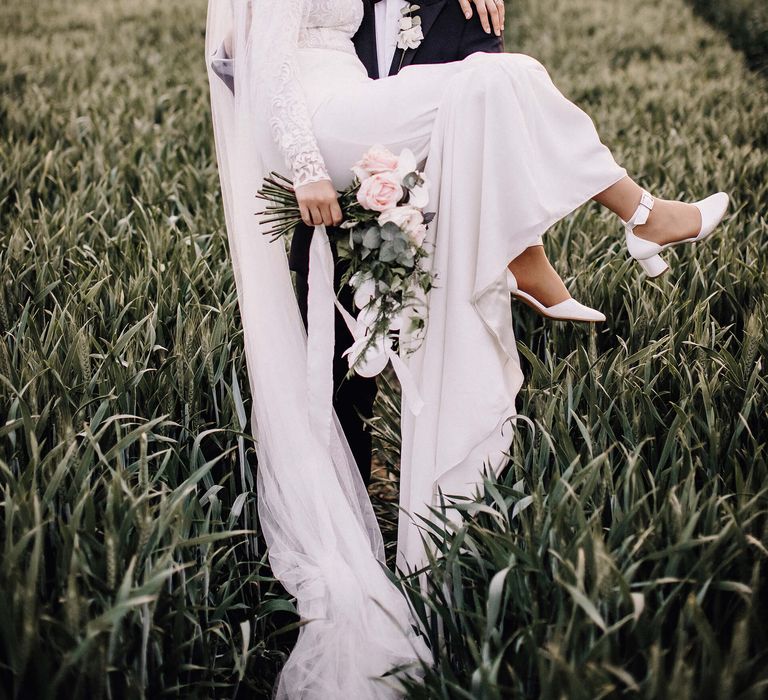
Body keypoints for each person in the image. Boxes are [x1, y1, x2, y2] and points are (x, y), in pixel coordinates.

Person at [205, 1, 729, 696]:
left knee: (505, 82)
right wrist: (305, 167)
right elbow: (257, 58)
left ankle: (596, 234)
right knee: (495, 84)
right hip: (314, 118)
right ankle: (635, 219)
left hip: (351, 96)